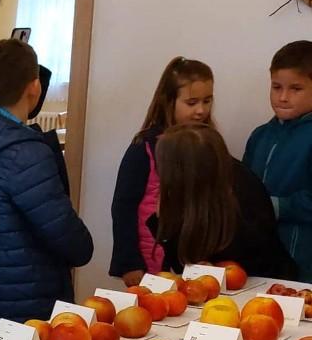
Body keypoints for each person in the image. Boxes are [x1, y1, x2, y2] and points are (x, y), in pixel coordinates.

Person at [0, 38, 93, 335]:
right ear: (34, 88)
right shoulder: (25, 153)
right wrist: (84, 246)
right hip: (30, 297)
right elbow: (69, 238)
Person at [109, 57, 214, 285]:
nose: (201, 110)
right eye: (192, 102)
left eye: (207, 101)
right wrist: (129, 263)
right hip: (151, 262)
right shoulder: (144, 147)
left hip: (194, 260)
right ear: (169, 101)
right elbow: (123, 207)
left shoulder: (208, 145)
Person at [155, 123, 296, 278]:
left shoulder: (243, 192)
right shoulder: (186, 192)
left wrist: (212, 269)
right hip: (216, 286)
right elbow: (179, 260)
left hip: (261, 283)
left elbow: (255, 257)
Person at [244, 41, 312, 280]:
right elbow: (244, 187)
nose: (283, 97)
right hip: (257, 258)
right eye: (276, 87)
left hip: (301, 260)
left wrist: (274, 206)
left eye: (296, 88)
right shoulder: (259, 135)